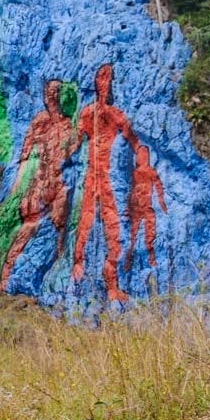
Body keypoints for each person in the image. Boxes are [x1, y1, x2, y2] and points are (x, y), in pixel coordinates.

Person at [0, 80, 77, 289]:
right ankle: (6, 278)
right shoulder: (40, 121)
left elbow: (70, 156)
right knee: (27, 229)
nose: (51, 96)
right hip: (40, 187)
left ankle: (61, 274)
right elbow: (24, 156)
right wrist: (15, 188)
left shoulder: (68, 126)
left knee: (60, 229)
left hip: (58, 186)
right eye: (48, 92)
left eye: (56, 91)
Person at [72, 64, 139, 302]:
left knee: (114, 229)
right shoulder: (87, 113)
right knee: (86, 224)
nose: (106, 81)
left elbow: (136, 145)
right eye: (101, 76)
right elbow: (74, 144)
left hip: (111, 180)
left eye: (109, 77)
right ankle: (77, 265)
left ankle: (112, 282)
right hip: (92, 178)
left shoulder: (117, 115)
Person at [125, 145, 165, 272]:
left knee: (150, 236)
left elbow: (159, 187)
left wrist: (162, 202)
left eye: (144, 155)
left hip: (147, 208)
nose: (142, 157)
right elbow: (130, 191)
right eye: (140, 155)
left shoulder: (150, 171)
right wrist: (128, 208)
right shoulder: (135, 173)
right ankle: (128, 260)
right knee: (132, 237)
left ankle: (152, 260)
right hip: (136, 209)